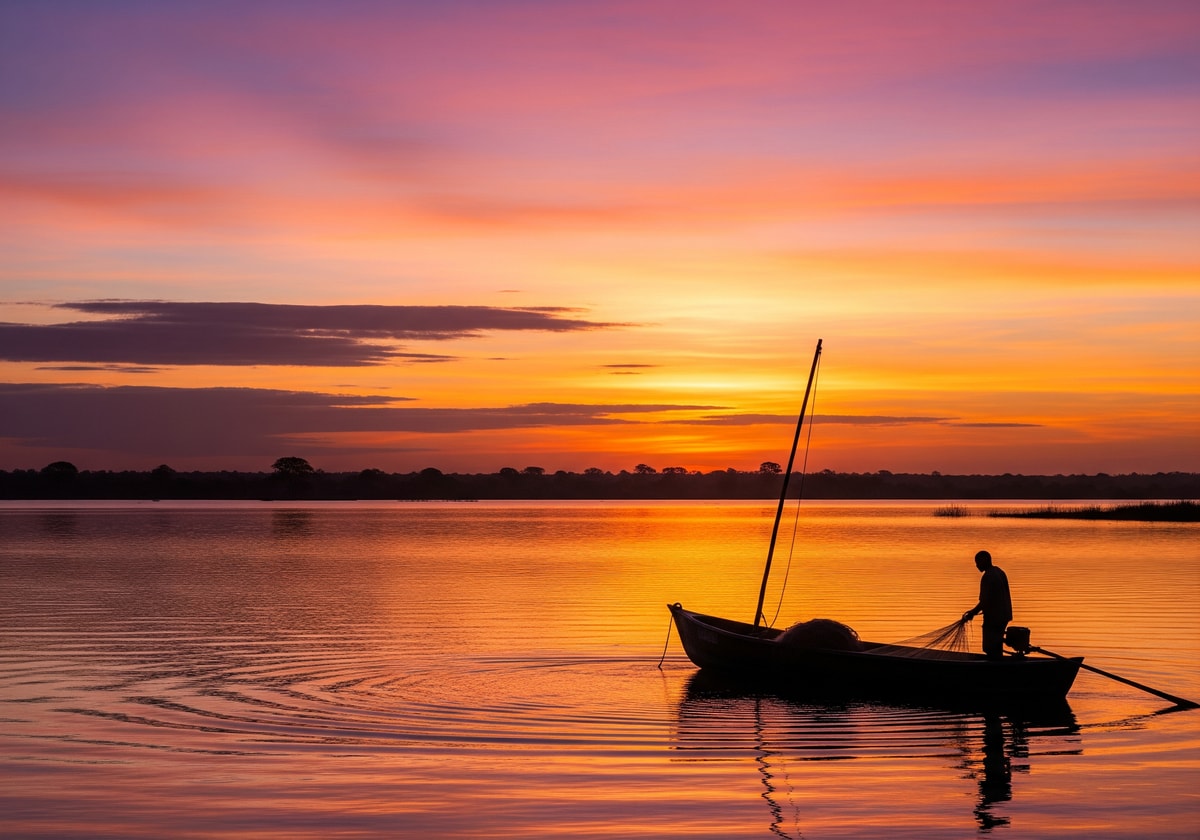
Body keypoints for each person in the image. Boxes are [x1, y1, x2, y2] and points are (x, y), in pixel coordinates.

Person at [963, 550, 1013, 659]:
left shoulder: (988, 577)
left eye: (978, 562)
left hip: (994, 618)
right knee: (996, 645)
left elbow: (984, 602)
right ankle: (997, 663)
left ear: (984, 561)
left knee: (989, 647)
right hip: (1004, 616)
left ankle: (994, 667)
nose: (976, 566)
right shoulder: (999, 571)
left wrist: (972, 613)